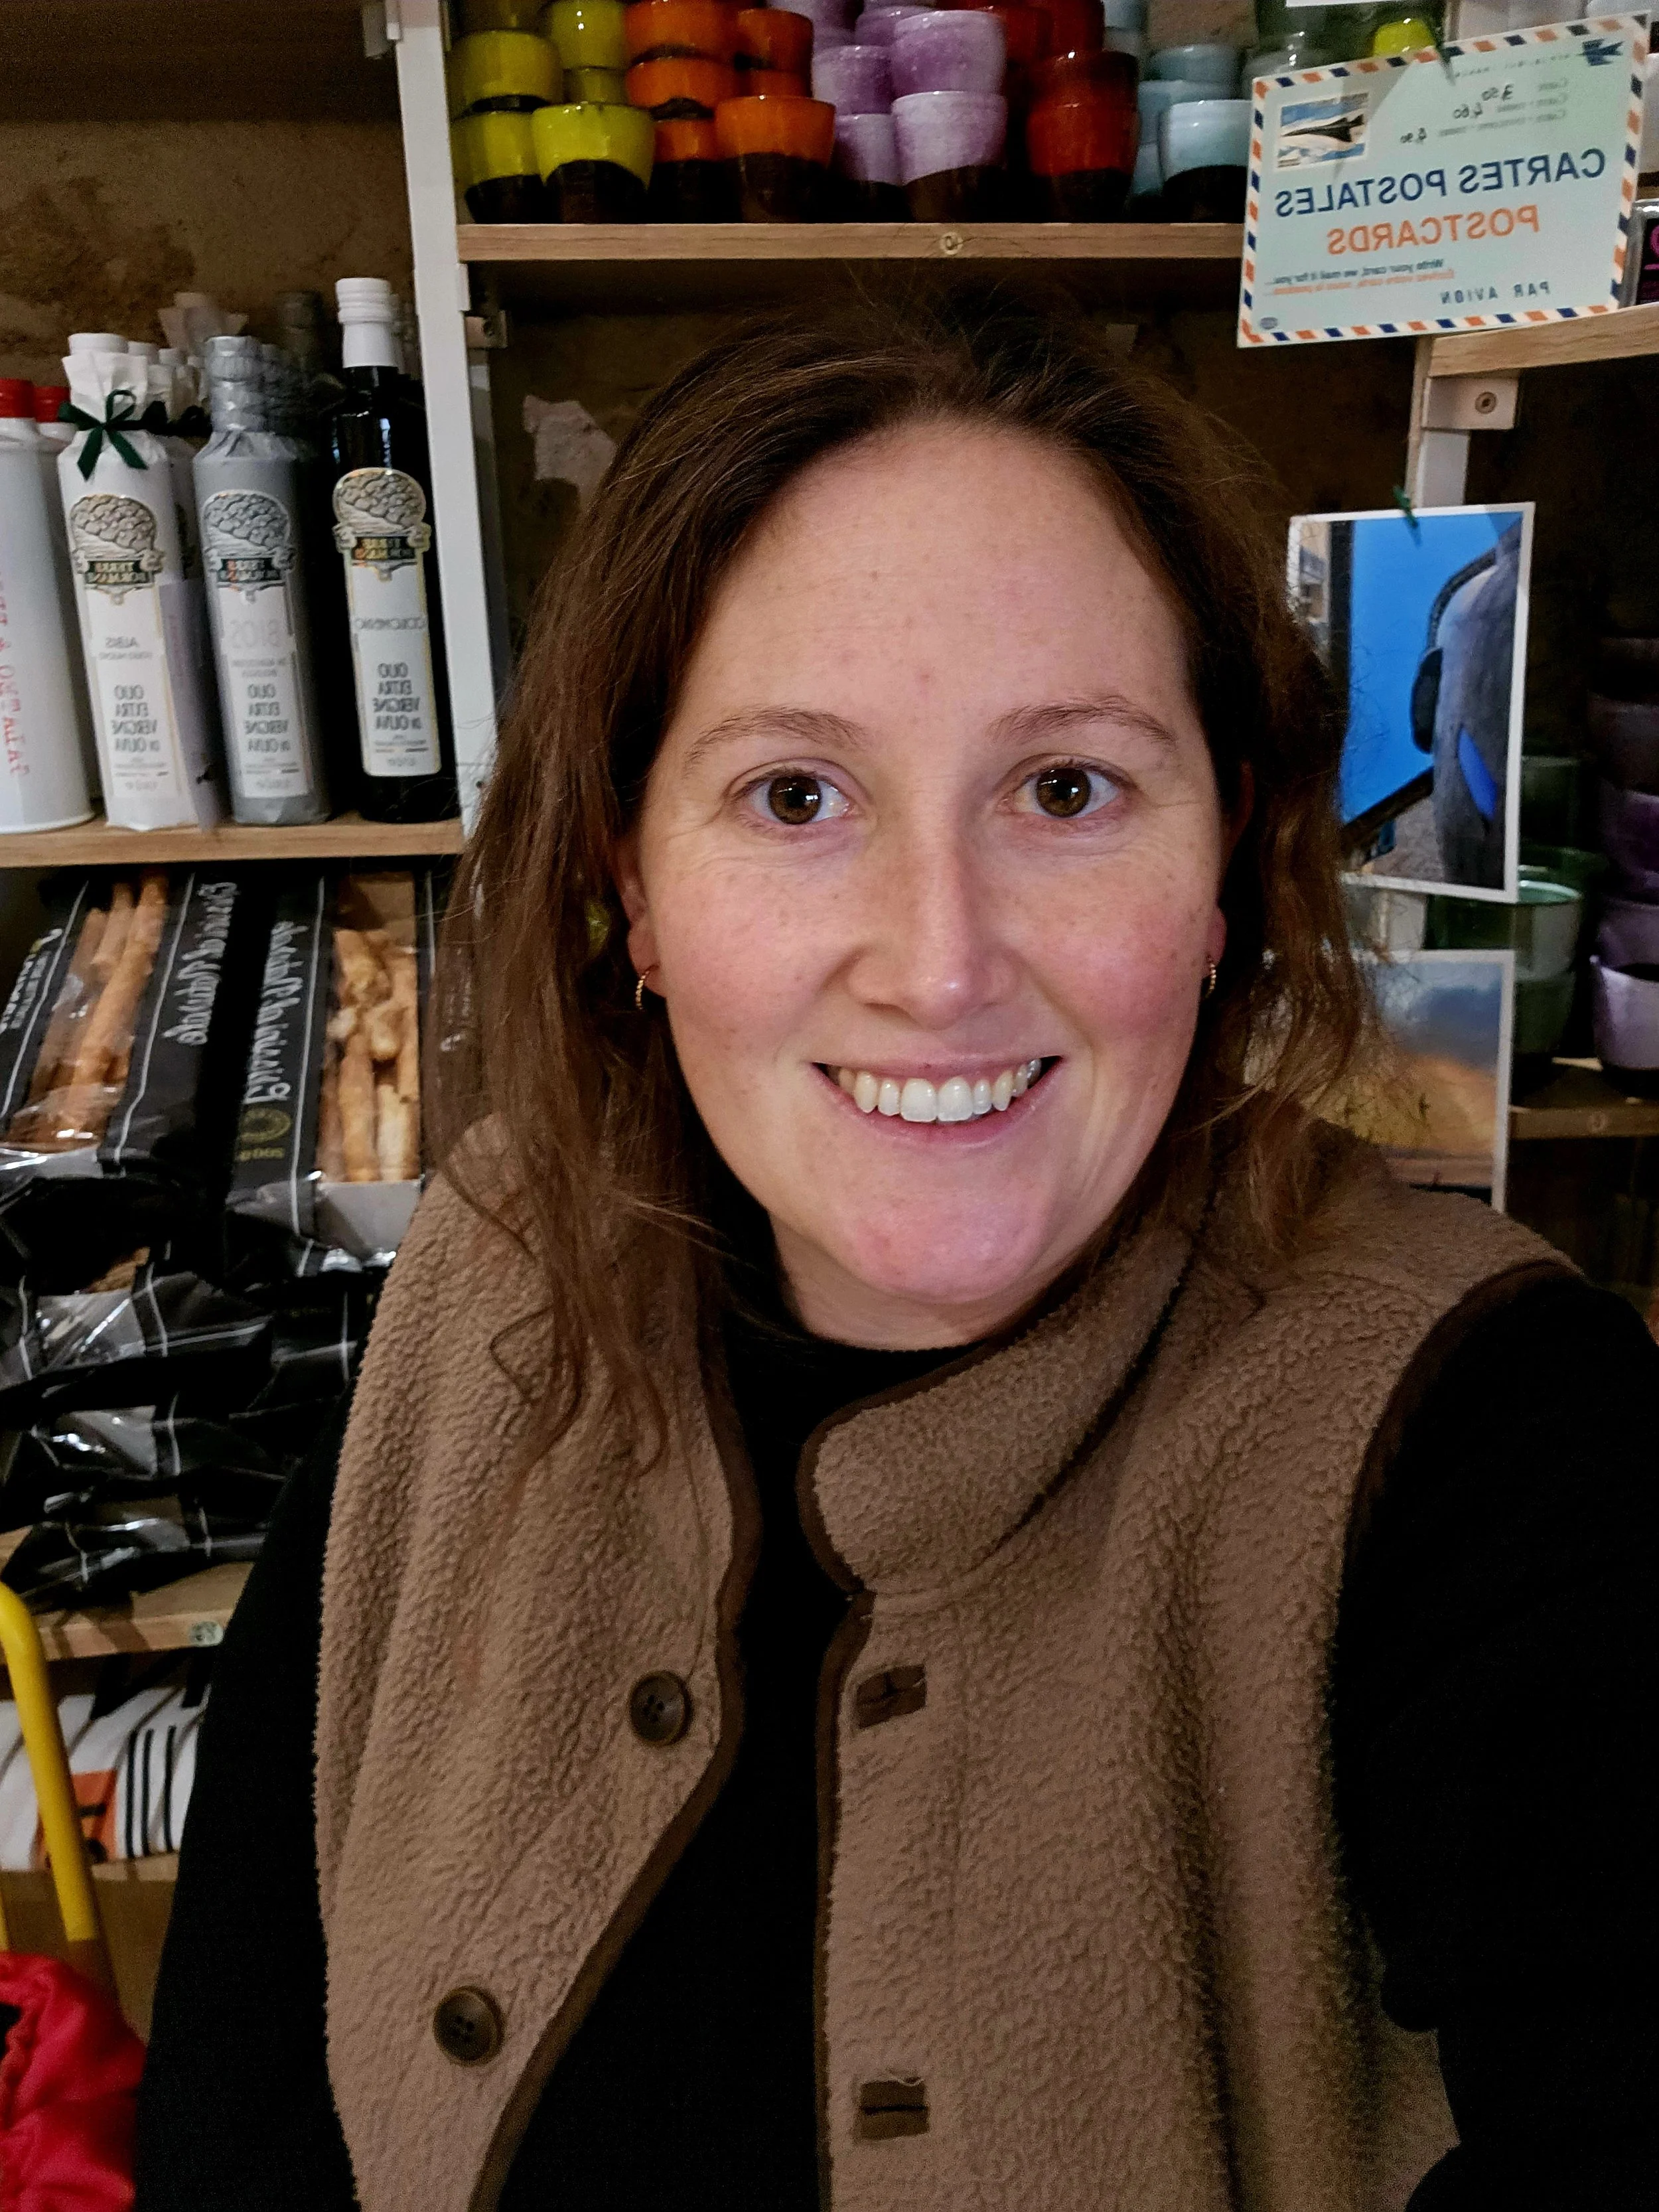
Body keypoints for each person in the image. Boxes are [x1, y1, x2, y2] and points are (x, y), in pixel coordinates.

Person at [135, 302, 1654, 2212]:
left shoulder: (1490, 1435)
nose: (936, 962)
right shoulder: (490, 1266)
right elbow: (242, 2085)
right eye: (794, 795)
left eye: (1067, 789)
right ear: (633, 886)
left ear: (1224, 874)